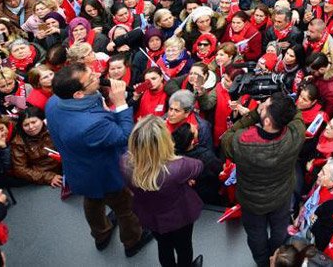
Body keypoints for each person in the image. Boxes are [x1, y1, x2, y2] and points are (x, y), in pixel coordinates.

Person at [44, 63, 153, 257]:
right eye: (91, 78)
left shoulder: (53, 102)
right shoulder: (89, 124)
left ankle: (101, 234)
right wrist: (120, 104)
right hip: (107, 173)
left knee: (92, 201)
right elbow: (124, 135)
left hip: (78, 170)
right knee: (126, 207)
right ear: (78, 94)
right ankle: (133, 241)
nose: (97, 75)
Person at [221, 92, 305, 267]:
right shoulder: (296, 134)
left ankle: (262, 262)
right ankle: (277, 259)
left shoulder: (242, 141)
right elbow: (296, 113)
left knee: (256, 236)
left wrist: (252, 114)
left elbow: (227, 137)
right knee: (279, 232)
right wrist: (282, 106)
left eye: (265, 104)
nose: (262, 104)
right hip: (281, 197)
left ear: (266, 121)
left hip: (252, 202)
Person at [123, 115, 204, 267]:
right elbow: (198, 166)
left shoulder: (124, 163)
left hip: (149, 214)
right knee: (184, 247)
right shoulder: (178, 167)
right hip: (179, 216)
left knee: (164, 246)